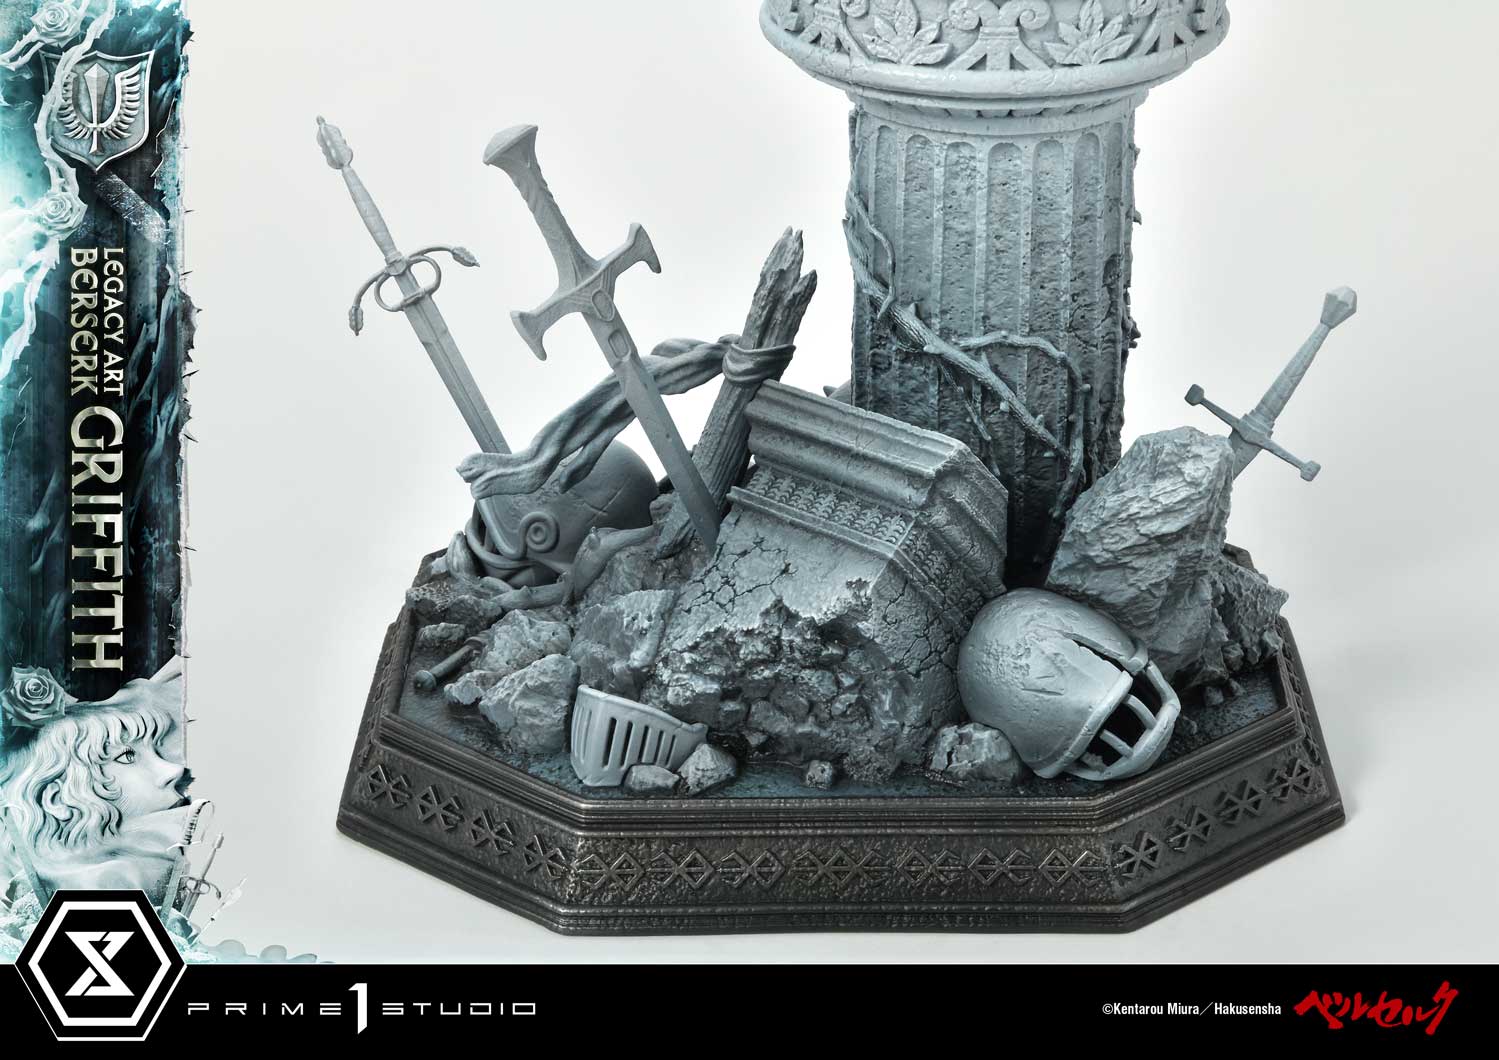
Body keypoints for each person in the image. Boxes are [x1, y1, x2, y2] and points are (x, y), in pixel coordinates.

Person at [0, 659, 202, 905]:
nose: (174, 770)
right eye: (127, 756)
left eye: (156, 749)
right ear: (56, 800)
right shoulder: (120, 880)